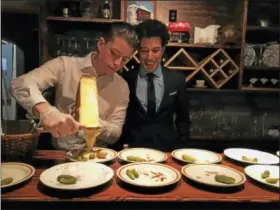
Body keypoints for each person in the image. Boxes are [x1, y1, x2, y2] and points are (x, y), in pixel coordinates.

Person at [11, 22, 139, 150]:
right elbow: (21, 83)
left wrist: (92, 121)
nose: (117, 63)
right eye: (114, 53)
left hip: (99, 158)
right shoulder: (65, 66)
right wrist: (48, 112)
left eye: (124, 59)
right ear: (101, 44)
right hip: (61, 154)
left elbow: (115, 134)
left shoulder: (121, 86)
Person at [119, 19, 191, 152]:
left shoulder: (177, 80)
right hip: (134, 151)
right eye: (144, 50)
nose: (149, 57)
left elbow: (183, 120)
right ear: (137, 51)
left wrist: (180, 148)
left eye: (155, 50)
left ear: (163, 50)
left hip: (167, 151)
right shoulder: (126, 80)